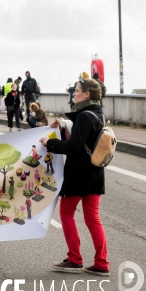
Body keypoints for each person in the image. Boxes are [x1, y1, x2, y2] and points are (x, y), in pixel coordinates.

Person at [39, 78, 109, 276]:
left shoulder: (85, 116)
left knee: (67, 213)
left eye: (77, 91)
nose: (74, 94)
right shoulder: (98, 113)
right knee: (93, 218)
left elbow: (73, 146)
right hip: (96, 173)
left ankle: (75, 259)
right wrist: (62, 126)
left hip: (79, 173)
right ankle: (102, 263)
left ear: (87, 94)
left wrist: (49, 143)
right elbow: (84, 136)